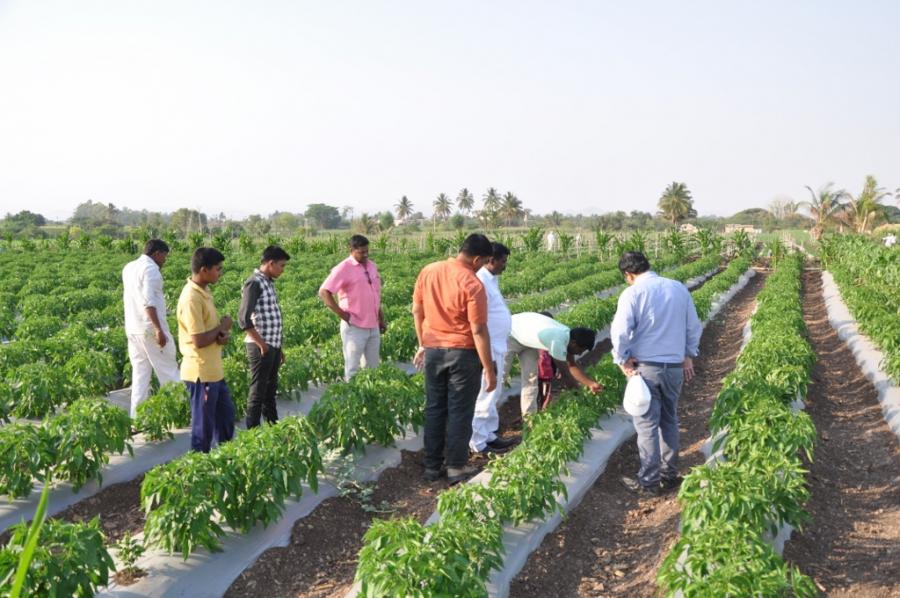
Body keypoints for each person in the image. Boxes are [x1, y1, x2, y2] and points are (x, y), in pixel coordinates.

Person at [610, 251, 702, 496]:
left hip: (646, 369)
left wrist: (622, 359)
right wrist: (688, 354)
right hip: (674, 367)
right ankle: (668, 475)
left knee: (646, 424)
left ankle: (649, 483)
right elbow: (693, 326)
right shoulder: (678, 288)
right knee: (669, 419)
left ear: (628, 274)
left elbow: (620, 331)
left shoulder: (633, 293)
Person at [413, 234, 495, 483]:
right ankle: (456, 467)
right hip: (462, 353)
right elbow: (478, 330)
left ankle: (432, 465)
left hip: (433, 350)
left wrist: (423, 343)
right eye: (484, 262)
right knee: (460, 410)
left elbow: (417, 310)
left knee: (435, 407)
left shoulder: (429, 270)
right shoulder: (472, 283)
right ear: (477, 259)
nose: (482, 267)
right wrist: (489, 368)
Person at [177, 247, 236, 453]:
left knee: (226, 420)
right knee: (203, 431)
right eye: (217, 269)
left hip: (214, 372)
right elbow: (198, 340)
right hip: (201, 374)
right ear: (204, 270)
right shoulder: (191, 298)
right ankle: (200, 468)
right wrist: (222, 327)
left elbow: (207, 333)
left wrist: (221, 336)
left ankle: (225, 462)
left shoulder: (205, 292)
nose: (220, 273)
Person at [122, 239, 181, 418]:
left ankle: (137, 418)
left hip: (133, 329)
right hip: (150, 330)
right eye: (164, 256)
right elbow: (148, 302)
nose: (165, 260)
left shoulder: (129, 267)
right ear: (157, 253)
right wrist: (158, 330)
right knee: (169, 373)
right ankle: (182, 413)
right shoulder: (151, 269)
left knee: (140, 376)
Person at [468, 242, 517, 455]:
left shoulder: (491, 280)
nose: (505, 265)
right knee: (486, 393)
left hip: (498, 345)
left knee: (494, 392)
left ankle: (489, 434)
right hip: (489, 346)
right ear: (491, 260)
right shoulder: (480, 281)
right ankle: (478, 442)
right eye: (503, 261)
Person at [506, 312, 603, 417]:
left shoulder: (568, 337)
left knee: (531, 379)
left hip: (528, 338)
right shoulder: (558, 342)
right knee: (499, 377)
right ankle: (491, 418)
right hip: (511, 333)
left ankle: (529, 418)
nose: (579, 354)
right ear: (574, 343)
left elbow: (571, 365)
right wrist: (581, 398)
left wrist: (590, 384)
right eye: (580, 350)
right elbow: (566, 374)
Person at [319, 235, 386, 380]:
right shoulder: (343, 268)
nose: (365, 255)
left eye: (367, 251)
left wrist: (381, 318)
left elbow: (375, 294)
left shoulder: (372, 266)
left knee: (373, 368)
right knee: (352, 368)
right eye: (361, 252)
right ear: (351, 250)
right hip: (355, 326)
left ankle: (371, 394)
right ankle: (352, 392)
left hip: (373, 325)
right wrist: (344, 315)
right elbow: (324, 292)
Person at [238, 245, 290, 428]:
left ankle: (273, 427)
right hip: (260, 346)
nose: (283, 270)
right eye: (281, 266)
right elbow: (243, 319)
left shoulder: (267, 282)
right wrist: (262, 345)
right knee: (258, 390)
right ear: (270, 263)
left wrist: (278, 348)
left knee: (270, 390)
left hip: (271, 345)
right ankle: (253, 431)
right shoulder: (254, 283)